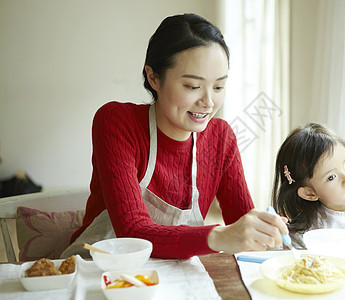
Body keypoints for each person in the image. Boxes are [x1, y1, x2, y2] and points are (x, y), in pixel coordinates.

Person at [62, 13, 288, 259]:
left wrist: (265, 230)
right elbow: (133, 231)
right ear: (154, 78)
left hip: (175, 275)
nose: (208, 102)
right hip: (100, 269)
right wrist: (220, 236)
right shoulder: (117, 121)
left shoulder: (221, 138)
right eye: (193, 86)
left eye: (219, 86)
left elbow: (243, 224)